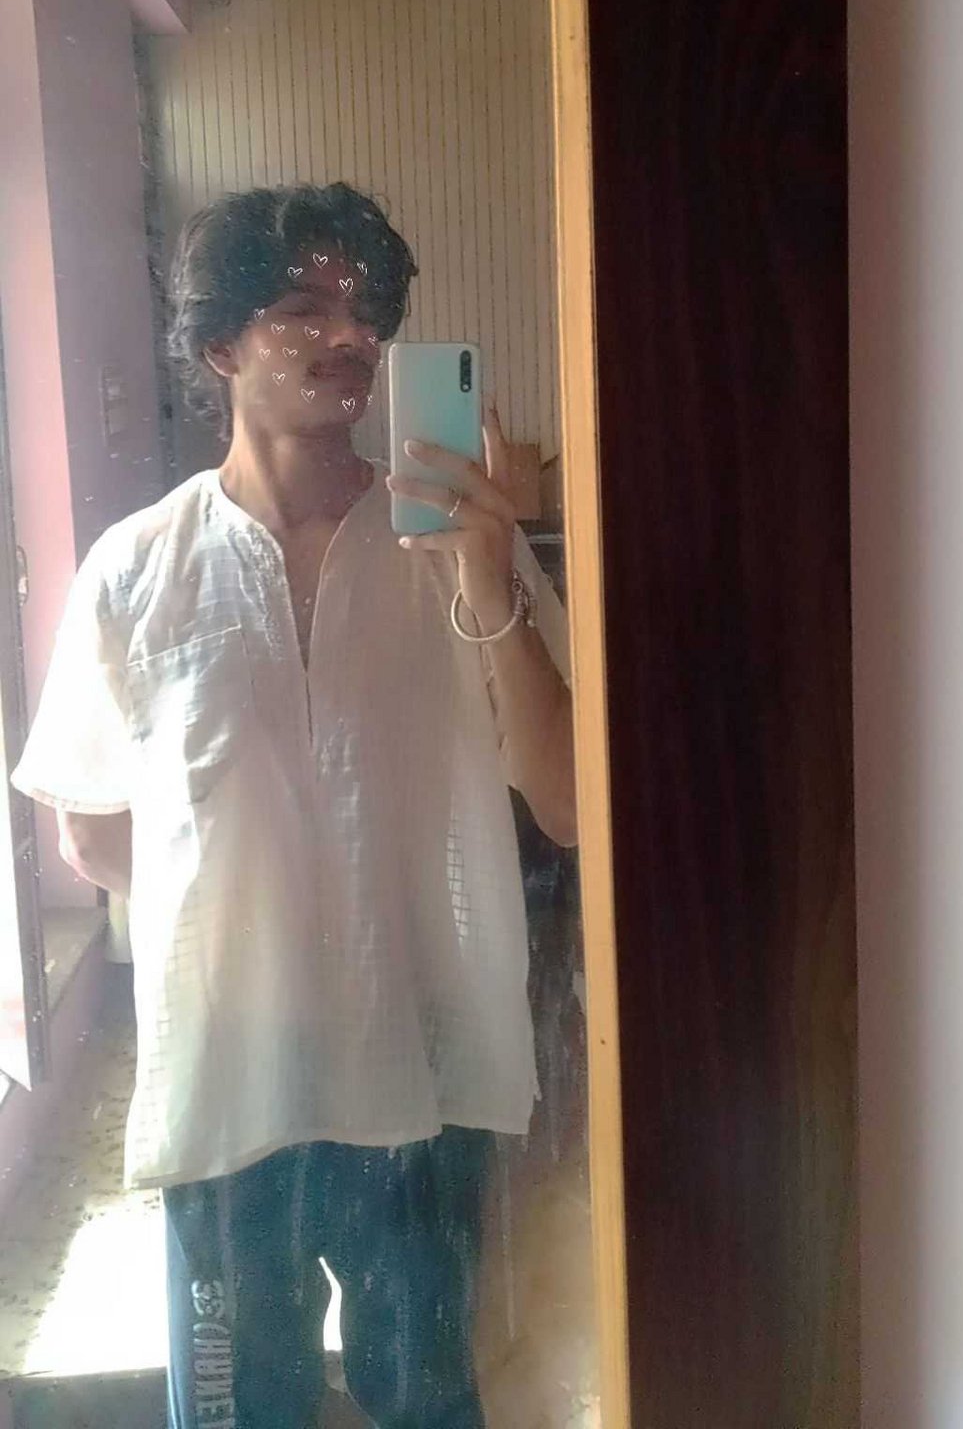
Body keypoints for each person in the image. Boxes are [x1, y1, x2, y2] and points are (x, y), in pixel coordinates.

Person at [11, 182, 576, 1429]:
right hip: (232, 1084)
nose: (349, 333)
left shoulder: (455, 549)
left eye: (366, 308)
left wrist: (493, 577)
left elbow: (570, 804)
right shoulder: (138, 568)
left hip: (423, 1072)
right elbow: (91, 828)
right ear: (220, 344)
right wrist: (255, 913)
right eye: (303, 306)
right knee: (237, 1409)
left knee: (429, 1403)